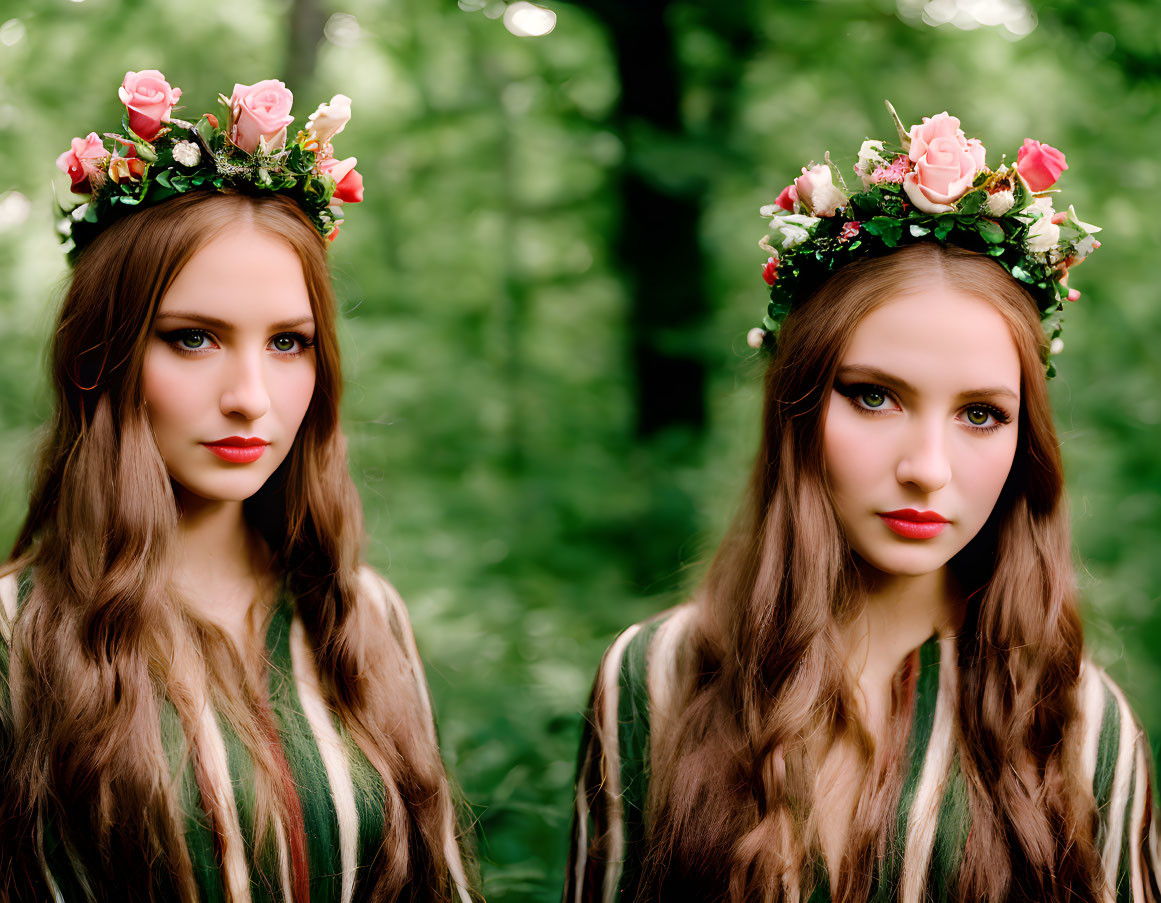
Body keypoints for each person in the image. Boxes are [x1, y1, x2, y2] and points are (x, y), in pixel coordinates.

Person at [564, 106, 1159, 902]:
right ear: (798, 406)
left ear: (1026, 444)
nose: (926, 469)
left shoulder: (1082, 724)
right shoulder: (657, 678)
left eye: (980, 413)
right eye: (874, 397)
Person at [0, 71, 473, 902]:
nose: (250, 395)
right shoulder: (14, 633)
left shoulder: (361, 614)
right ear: (102, 359)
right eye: (193, 339)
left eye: (288, 342)